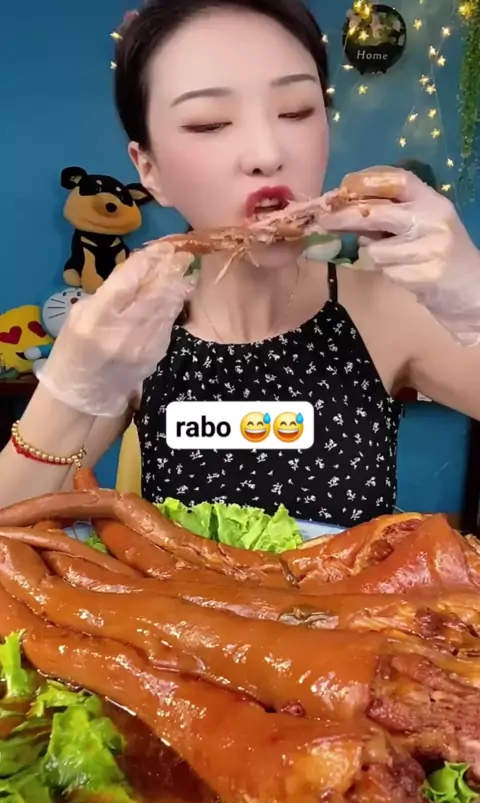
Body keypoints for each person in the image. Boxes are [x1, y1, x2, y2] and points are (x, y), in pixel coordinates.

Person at [1, 0, 480, 526]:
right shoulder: (135, 336)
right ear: (149, 169)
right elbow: (13, 524)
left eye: (296, 111)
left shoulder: (388, 309)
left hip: (359, 583)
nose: (266, 153)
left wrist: (476, 298)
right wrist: (66, 393)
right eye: (209, 123)